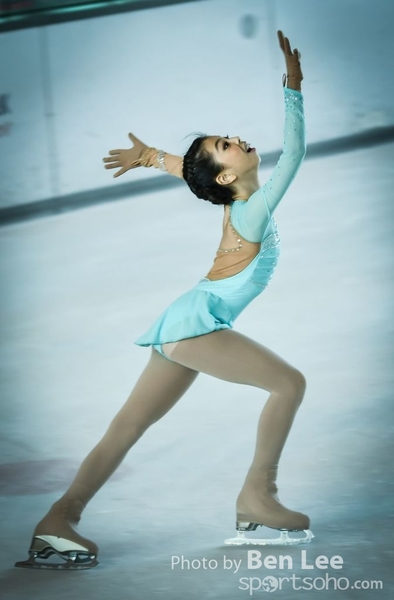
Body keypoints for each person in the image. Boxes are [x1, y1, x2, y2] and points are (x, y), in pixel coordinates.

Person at [16, 30, 311, 570]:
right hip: (197, 325)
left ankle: (58, 520)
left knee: (128, 425)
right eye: (225, 145)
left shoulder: (237, 198)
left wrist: (152, 155)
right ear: (228, 174)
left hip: (187, 322)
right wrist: (292, 87)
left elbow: (191, 171)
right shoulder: (252, 209)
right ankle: (258, 496)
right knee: (288, 384)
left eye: (226, 136)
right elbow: (294, 153)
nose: (235, 138)